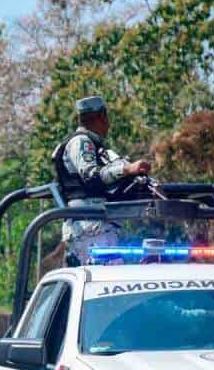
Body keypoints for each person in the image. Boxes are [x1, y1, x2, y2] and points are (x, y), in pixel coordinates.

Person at [60, 95, 152, 264]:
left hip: (97, 224)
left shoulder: (94, 144)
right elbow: (92, 175)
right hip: (91, 225)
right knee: (104, 280)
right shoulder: (82, 142)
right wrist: (127, 169)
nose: (109, 124)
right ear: (102, 116)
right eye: (107, 117)